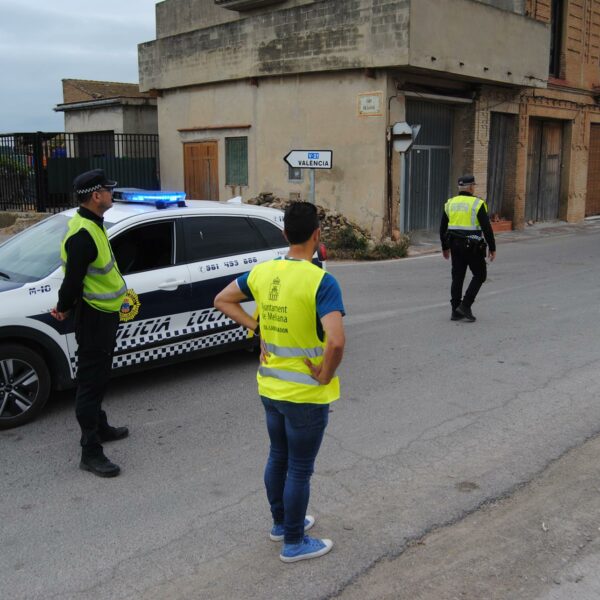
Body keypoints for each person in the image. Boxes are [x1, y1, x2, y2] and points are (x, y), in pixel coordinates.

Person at [214, 202, 345, 563]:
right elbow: (335, 342)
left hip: (270, 387)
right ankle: (294, 541)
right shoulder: (321, 281)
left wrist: (257, 328)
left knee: (278, 456)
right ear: (317, 234)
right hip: (305, 394)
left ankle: (281, 524)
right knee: (299, 469)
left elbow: (222, 299)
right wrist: (325, 374)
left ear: (285, 234)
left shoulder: (263, 271)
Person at [51, 169, 129, 477]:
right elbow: (72, 281)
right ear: (96, 196)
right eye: (108, 190)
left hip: (104, 313)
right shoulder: (83, 234)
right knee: (90, 383)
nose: (111, 193)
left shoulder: (93, 224)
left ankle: (101, 425)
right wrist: (63, 307)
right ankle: (90, 450)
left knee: (100, 376)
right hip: (94, 316)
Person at [440, 175, 496, 322]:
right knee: (480, 274)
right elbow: (487, 228)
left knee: (457, 276)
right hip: (472, 246)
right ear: (471, 187)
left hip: (454, 245)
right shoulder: (477, 204)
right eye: (474, 186)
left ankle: (455, 311)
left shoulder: (450, 203)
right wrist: (492, 247)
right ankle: (465, 305)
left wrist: (445, 247)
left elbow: (442, 228)